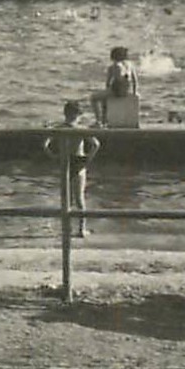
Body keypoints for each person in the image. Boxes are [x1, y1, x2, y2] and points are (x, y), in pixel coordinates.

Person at [44, 100, 100, 237]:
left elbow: (45, 144)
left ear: (65, 113)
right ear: (78, 114)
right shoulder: (81, 129)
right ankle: (81, 229)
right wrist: (88, 159)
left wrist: (53, 156)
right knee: (80, 198)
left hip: (65, 161)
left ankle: (67, 229)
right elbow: (96, 144)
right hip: (78, 161)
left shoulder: (59, 128)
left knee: (66, 199)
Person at [91, 45, 138, 125]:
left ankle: (99, 120)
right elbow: (135, 81)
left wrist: (108, 90)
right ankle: (103, 120)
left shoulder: (114, 66)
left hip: (117, 91)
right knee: (104, 98)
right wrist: (134, 92)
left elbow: (109, 82)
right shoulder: (130, 65)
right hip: (127, 90)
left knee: (94, 98)